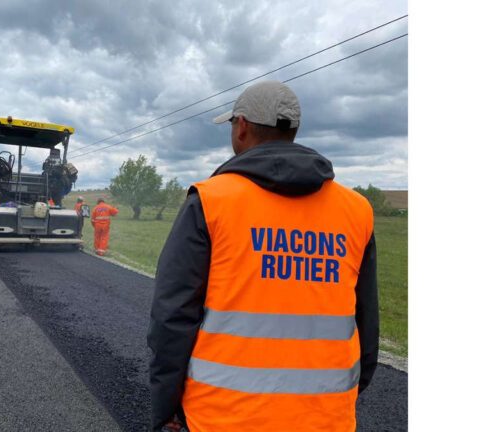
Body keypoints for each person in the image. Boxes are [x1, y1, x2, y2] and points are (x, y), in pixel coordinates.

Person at [147, 80, 379, 432]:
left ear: (241, 127)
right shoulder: (357, 210)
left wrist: (165, 406)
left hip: (221, 416)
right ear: (293, 131)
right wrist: (341, 396)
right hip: (326, 418)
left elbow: (173, 317)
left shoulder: (212, 201)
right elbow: (366, 321)